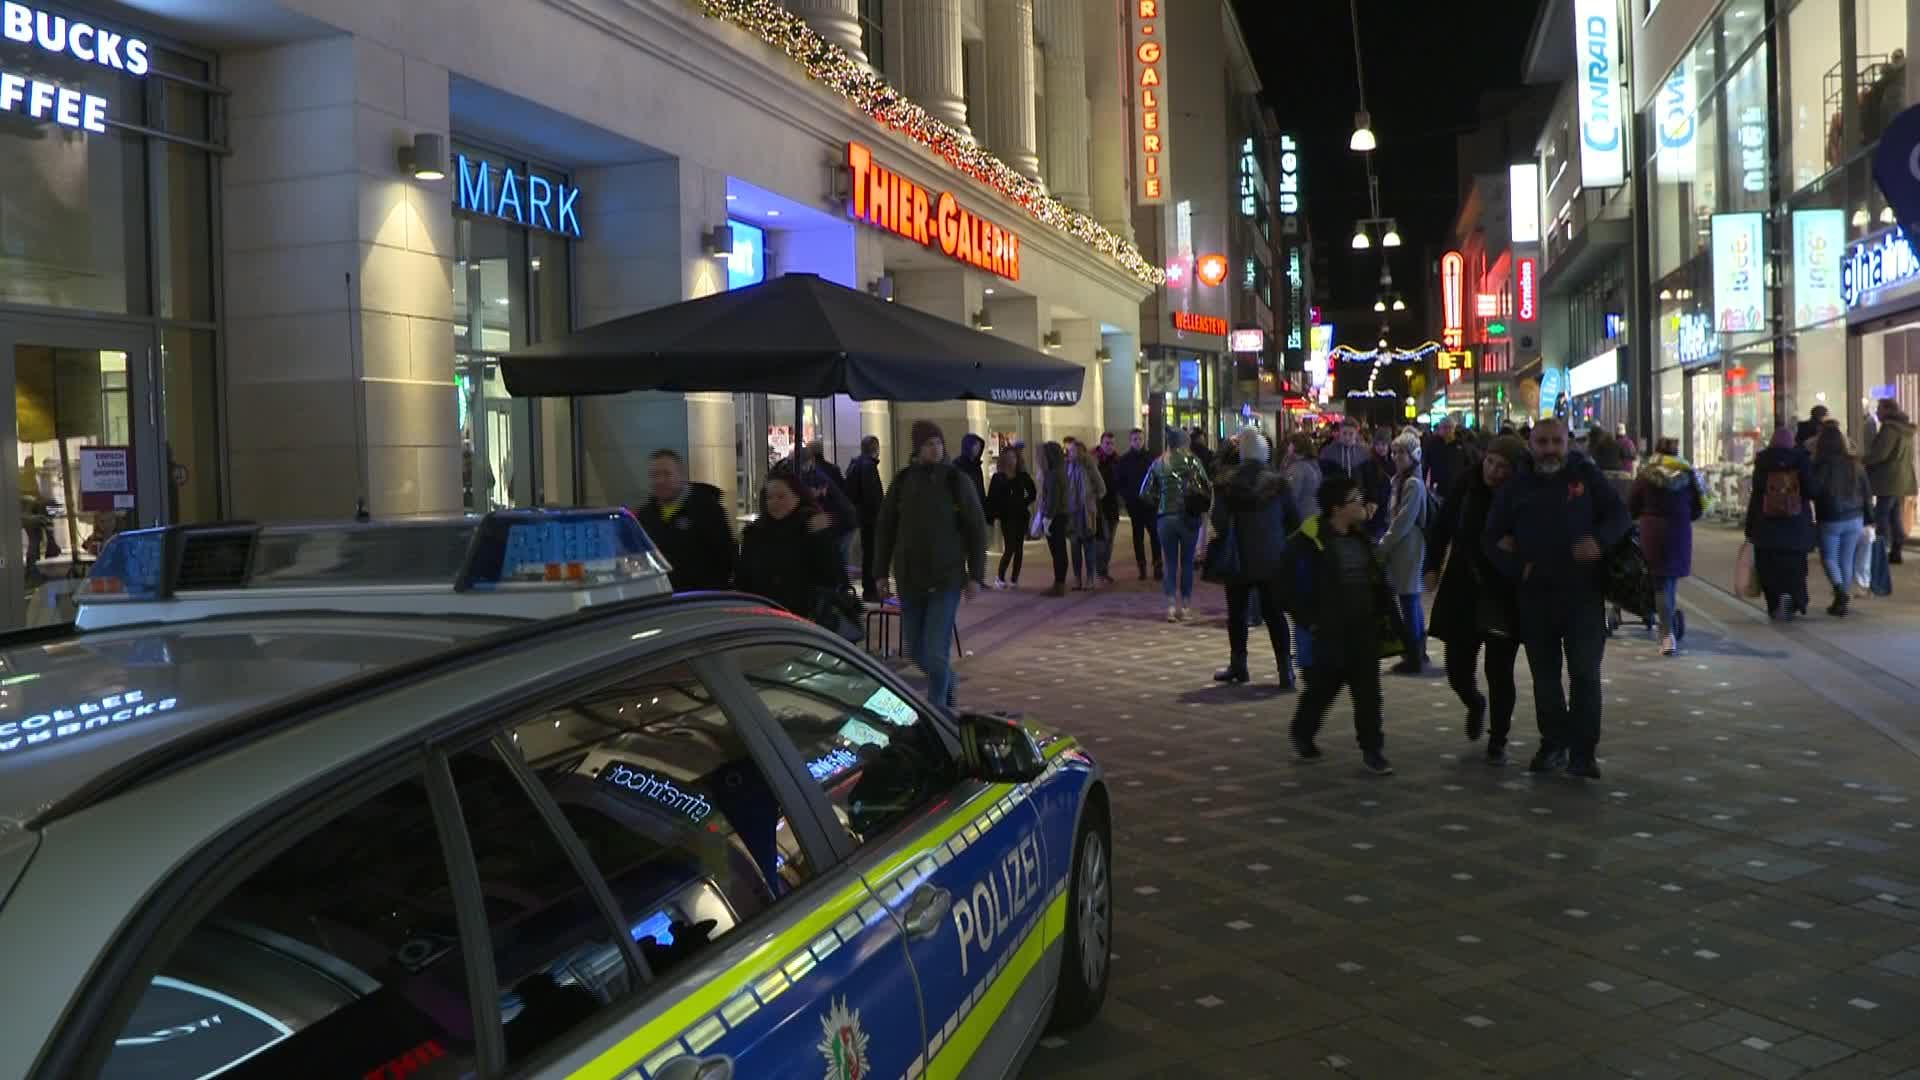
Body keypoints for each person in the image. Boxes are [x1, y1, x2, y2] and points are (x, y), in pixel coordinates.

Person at [1484, 417, 1629, 780]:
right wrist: (1518, 567)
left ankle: (1583, 752)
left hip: (1583, 594)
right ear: (1530, 444)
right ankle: (1553, 744)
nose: (1549, 449)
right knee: (1545, 678)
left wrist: (1600, 540)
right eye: (1542, 442)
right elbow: (1491, 537)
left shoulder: (1586, 475)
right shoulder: (1517, 484)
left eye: (1556, 442)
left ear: (1569, 443)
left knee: (1584, 674)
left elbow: (1619, 516)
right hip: (1536, 598)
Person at [1282, 475, 1399, 776]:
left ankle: (1373, 749)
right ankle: (1303, 731)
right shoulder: (1310, 542)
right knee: (1323, 688)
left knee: (1368, 692)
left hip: (1362, 628)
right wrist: (1311, 621)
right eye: (1355, 499)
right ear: (1337, 508)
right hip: (1330, 630)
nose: (1362, 504)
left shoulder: (1360, 538)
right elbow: (1286, 587)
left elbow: (1376, 581)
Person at [872, 420, 988, 710]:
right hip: (910, 581)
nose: (935, 448)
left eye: (938, 442)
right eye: (928, 444)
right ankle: (948, 681)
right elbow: (885, 529)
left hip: (945, 579)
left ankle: (937, 711)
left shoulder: (956, 481)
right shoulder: (901, 482)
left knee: (935, 653)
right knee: (917, 653)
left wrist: (975, 575)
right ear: (917, 448)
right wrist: (879, 572)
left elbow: (976, 529)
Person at [1426, 434, 1526, 765]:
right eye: (1491, 462)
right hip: (1463, 589)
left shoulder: (1520, 496)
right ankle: (1473, 702)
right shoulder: (1466, 485)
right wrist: (1431, 565)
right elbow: (1441, 527)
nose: (1494, 471)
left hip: (1503, 593)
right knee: (1456, 667)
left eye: (1503, 467)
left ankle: (1498, 736)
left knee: (1499, 671)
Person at [1210, 429, 1299, 687]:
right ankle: (1286, 669)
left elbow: (1218, 520)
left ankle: (1239, 666)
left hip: (1237, 556)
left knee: (1236, 614)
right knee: (1274, 614)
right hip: (1272, 557)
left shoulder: (1226, 482)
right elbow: (1294, 520)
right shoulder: (1279, 483)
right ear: (1265, 454)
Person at [734, 469, 844, 619]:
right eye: (769, 497)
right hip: (762, 615)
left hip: (804, 617)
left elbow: (831, 575)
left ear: (797, 497)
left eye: (781, 496)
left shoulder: (812, 526)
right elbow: (744, 577)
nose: (774, 502)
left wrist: (821, 536)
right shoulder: (755, 532)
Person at [1629, 438, 1704, 655]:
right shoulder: (1687, 474)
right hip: (1678, 530)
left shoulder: (1645, 475)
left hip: (1653, 531)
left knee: (1660, 582)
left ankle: (1666, 634)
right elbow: (1698, 507)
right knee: (1668, 582)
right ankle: (1666, 629)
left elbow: (1632, 504)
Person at [636, 449, 736, 592]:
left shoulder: (707, 509)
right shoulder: (645, 516)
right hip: (660, 599)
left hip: (701, 598)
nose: (660, 480)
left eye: (666, 474)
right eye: (654, 475)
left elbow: (725, 558)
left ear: (681, 475)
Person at [1746, 428, 1816, 622]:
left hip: (1766, 524)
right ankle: (1794, 600)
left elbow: (1756, 495)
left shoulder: (1763, 462)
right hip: (1795, 524)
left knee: (1769, 567)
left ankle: (1775, 603)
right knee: (1795, 567)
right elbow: (1811, 490)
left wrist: (1750, 527)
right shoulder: (1801, 460)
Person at [1143, 429, 1211, 622]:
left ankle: (1171, 606)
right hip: (1188, 517)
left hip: (1165, 517)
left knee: (1170, 563)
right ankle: (1187, 606)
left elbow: (1145, 493)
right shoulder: (1193, 461)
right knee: (1187, 562)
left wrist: (1160, 501)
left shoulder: (1158, 463)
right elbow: (1206, 485)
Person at [1381, 432, 1432, 675]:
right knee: (1409, 599)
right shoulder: (1398, 480)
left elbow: (1403, 521)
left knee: (1408, 599)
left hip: (1408, 546)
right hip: (1401, 546)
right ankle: (1418, 652)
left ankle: (1413, 656)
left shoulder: (1413, 483)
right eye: (1395, 452)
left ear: (1414, 456)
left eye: (1402, 452)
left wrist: (1384, 544)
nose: (1397, 456)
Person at [1810, 425, 1873, 618]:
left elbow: (1814, 490)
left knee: (1829, 557)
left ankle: (1839, 591)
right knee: (1846, 559)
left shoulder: (1821, 465)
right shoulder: (1855, 464)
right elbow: (1866, 493)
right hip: (1855, 517)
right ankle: (1841, 603)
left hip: (1830, 517)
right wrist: (1870, 517)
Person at [1862, 397, 1915, 566]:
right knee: (1894, 515)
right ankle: (1896, 548)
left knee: (1882, 514)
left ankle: (1882, 548)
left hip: (1888, 479)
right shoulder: (1904, 430)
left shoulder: (1890, 430)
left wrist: (1861, 460)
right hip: (1901, 479)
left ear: (1888, 410)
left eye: (1879, 409)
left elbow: (1880, 454)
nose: (1876, 412)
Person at [1114, 429, 1162, 580]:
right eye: (1135, 439)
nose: (1138, 442)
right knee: (1138, 536)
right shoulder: (1124, 460)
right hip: (1134, 504)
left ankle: (1157, 565)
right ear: (1130, 441)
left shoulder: (1151, 458)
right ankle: (1141, 566)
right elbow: (1119, 482)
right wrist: (1127, 497)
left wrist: (1156, 497)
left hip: (1150, 504)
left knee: (1155, 534)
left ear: (1144, 440)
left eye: (1140, 439)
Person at [987, 447, 1036, 589]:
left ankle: (1014, 578)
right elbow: (992, 497)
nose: (1011, 461)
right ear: (1003, 460)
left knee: (1019, 548)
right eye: (1008, 458)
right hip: (1006, 517)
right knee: (1010, 548)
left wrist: (1023, 502)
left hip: (1020, 515)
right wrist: (993, 514)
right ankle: (1000, 577)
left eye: (1013, 457)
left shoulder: (1022, 476)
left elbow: (1032, 493)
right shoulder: (998, 477)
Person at [845, 435, 886, 600]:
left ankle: (869, 588)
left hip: (863, 516)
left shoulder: (855, 464)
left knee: (868, 553)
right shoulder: (868, 467)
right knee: (871, 554)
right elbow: (872, 495)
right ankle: (871, 590)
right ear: (875, 448)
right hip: (870, 518)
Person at [1066, 440, 1109, 590]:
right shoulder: (1067, 467)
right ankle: (1077, 579)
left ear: (1080, 452)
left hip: (1086, 513)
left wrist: (1091, 499)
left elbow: (1102, 489)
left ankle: (1090, 578)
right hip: (1072, 513)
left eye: (1072, 451)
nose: (1069, 454)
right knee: (1075, 547)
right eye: (1069, 450)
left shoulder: (1089, 467)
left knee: (1089, 547)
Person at [1037, 441, 1073, 597]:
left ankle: (1059, 585)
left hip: (1056, 517)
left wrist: (1047, 518)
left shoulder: (1053, 474)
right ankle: (1059, 583)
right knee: (1060, 551)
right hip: (1061, 515)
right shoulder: (1060, 471)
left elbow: (1052, 499)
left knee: (1057, 551)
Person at [1093, 432, 1123, 585]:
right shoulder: (1094, 461)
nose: (1110, 446)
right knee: (1101, 541)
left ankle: (1104, 571)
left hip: (1113, 507)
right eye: (1107, 443)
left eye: (1112, 443)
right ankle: (1099, 571)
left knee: (1109, 541)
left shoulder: (1117, 461)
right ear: (1101, 443)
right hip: (1099, 507)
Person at [1282, 433, 1323, 527]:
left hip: (1302, 516)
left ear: (1294, 446)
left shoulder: (1297, 468)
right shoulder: (1313, 464)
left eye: (1289, 444)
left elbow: (1291, 495)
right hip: (1315, 512)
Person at [953, 433, 989, 516]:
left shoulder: (977, 466)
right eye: (975, 445)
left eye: (979, 446)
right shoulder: (958, 465)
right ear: (968, 446)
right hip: (964, 509)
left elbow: (980, 488)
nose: (978, 448)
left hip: (977, 507)